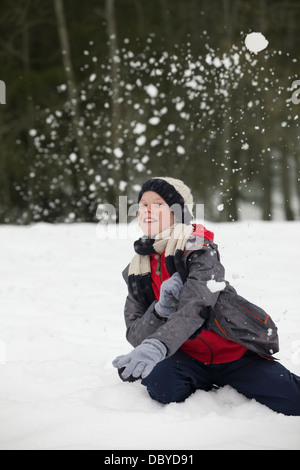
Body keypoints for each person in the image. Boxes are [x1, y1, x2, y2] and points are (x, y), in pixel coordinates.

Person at [112, 177, 300, 416]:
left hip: (236, 354)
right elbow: (135, 332)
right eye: (142, 205)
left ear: (177, 213)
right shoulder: (137, 270)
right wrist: (159, 311)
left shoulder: (199, 250)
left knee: (294, 401)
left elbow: (197, 306)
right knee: (161, 387)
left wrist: (158, 344)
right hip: (189, 358)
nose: (147, 210)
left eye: (157, 204)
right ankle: (203, 381)